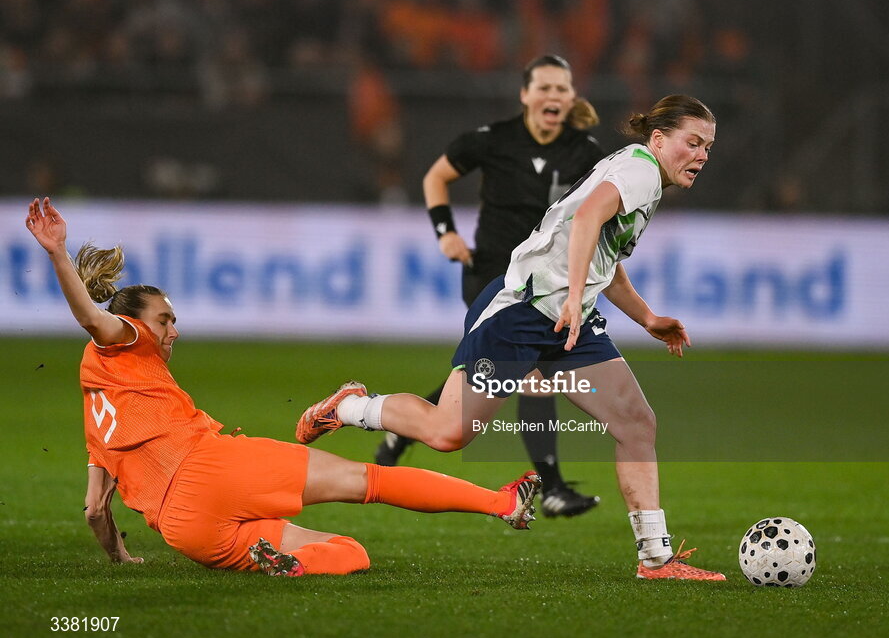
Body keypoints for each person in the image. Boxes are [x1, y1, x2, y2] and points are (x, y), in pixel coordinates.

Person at [299, 95, 727, 581]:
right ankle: (350, 407)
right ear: (658, 138)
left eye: (707, 148)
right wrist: (572, 297)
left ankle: (655, 559)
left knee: (635, 421)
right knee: (448, 433)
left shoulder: (641, 175)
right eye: (693, 143)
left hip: (567, 319)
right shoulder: (642, 170)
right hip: (522, 312)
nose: (701, 156)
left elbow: (602, 255)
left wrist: (646, 317)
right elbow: (587, 218)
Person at [25, 197, 540, 577]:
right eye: (164, 320)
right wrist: (58, 253)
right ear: (134, 323)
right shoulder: (124, 340)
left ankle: (293, 564)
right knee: (371, 481)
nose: (172, 331)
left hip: (186, 531)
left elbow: (95, 510)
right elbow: (92, 319)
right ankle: (500, 503)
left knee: (350, 553)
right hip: (211, 469)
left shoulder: (98, 418)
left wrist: (120, 556)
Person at [375, 54, 605, 519]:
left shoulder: (586, 152)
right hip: (493, 278)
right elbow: (436, 177)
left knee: (487, 375)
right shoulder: (493, 139)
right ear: (525, 94)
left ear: (571, 97)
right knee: (532, 372)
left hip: (544, 283)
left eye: (562, 88)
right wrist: (446, 233)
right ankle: (554, 488)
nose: (553, 96)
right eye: (544, 87)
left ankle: (404, 423)